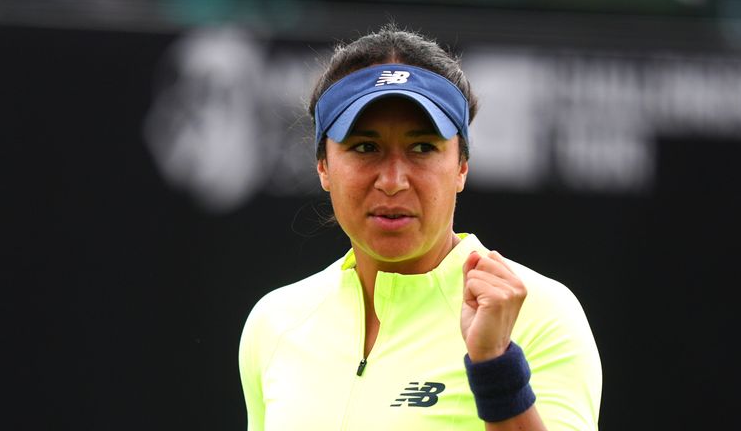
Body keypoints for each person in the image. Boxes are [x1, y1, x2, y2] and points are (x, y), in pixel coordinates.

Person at [239, 25, 601, 430]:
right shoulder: (275, 323)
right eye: (365, 147)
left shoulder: (539, 314)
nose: (393, 180)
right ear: (323, 165)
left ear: (461, 166)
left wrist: (496, 366)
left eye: (423, 147)